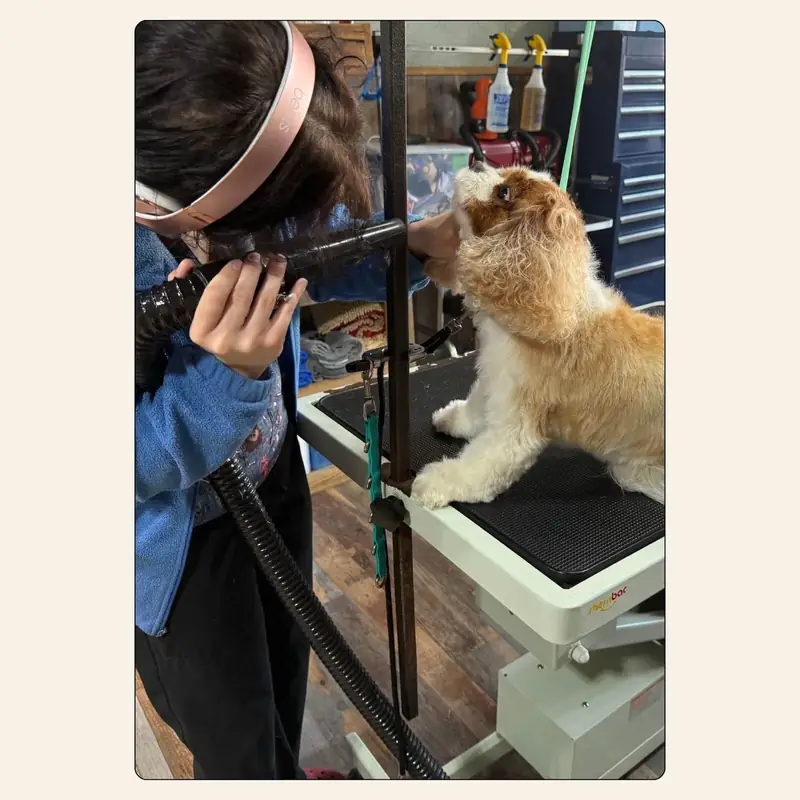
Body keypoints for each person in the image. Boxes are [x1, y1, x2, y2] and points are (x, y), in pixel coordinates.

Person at [134, 21, 460, 780]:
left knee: (288, 650)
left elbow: (299, 260)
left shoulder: (207, 194)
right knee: (232, 731)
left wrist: (404, 246)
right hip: (183, 550)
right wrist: (229, 377)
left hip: (272, 477)